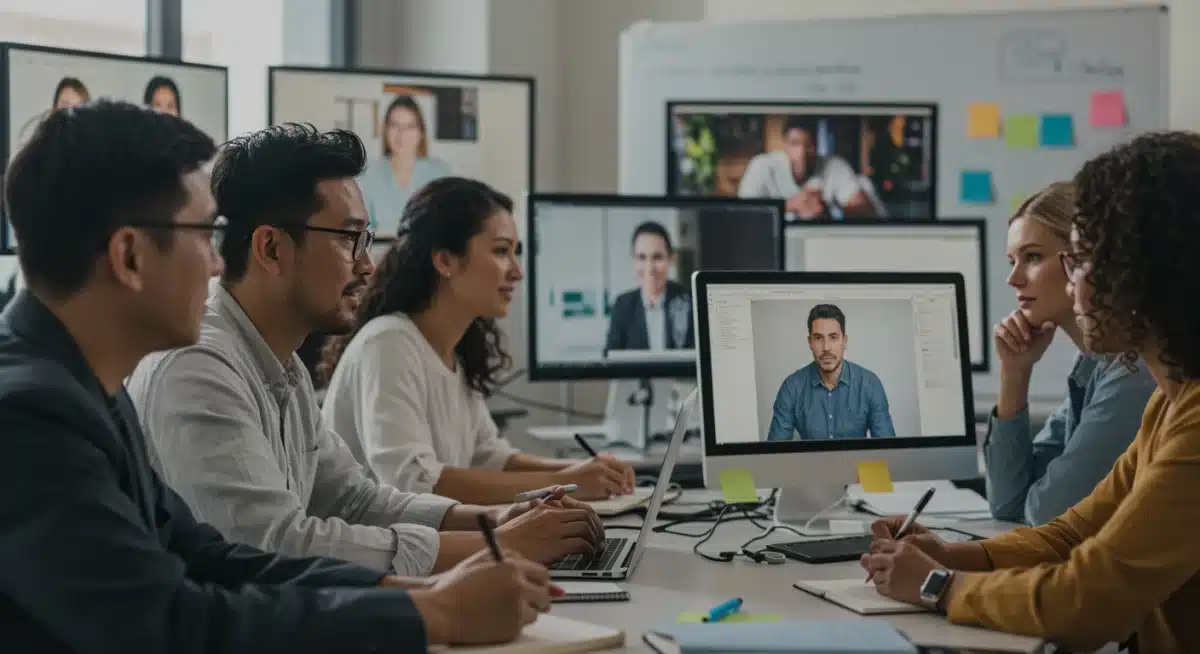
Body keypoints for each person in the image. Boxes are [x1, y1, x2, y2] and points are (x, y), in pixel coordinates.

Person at [0, 99, 555, 652]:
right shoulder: (30, 417)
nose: (217, 262)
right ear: (130, 255)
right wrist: (430, 615)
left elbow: (211, 557)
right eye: (202, 234)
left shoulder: (88, 389)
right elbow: (169, 622)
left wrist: (419, 596)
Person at [126, 124, 602, 578]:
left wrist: (497, 520)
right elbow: (272, 547)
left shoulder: (279, 363)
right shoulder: (198, 366)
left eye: (366, 240)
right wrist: (500, 545)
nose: (367, 264)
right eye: (349, 239)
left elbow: (355, 500)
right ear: (270, 249)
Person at [861, 131, 1200, 654]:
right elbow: (1066, 535)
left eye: (1079, 262)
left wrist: (936, 586)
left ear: (1144, 271)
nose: (1072, 287)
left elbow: (1086, 597)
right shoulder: (1168, 402)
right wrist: (950, 555)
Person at [317, 177, 637, 505]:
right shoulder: (388, 345)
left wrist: (582, 469)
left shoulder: (454, 350)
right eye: (501, 251)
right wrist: (565, 482)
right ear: (445, 260)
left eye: (515, 252)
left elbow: (489, 457)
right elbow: (413, 483)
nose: (517, 271)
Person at [986, 181, 1156, 525]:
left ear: (1084, 262)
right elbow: (1009, 503)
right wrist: (1014, 375)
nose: (1014, 279)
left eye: (1033, 257)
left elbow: (1050, 510)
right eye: (1012, 261)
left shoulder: (1133, 371)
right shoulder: (1093, 364)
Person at [766, 303, 894, 441]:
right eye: (818, 338)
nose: (826, 347)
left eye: (833, 337)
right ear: (810, 342)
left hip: (855, 463)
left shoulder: (870, 384)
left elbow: (888, 450)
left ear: (844, 341)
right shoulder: (791, 388)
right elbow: (776, 453)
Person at [737, 115, 877, 220]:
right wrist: (793, 204)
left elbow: (866, 209)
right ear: (784, 145)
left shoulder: (835, 165)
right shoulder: (762, 166)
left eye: (808, 144)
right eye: (795, 143)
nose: (802, 152)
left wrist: (826, 208)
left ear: (817, 146)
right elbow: (742, 213)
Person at [357, 95, 451, 237]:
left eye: (409, 126)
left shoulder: (439, 173)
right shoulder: (369, 174)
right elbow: (362, 231)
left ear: (421, 133)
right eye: (395, 125)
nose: (401, 134)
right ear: (385, 130)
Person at [604, 221, 694, 353]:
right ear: (633, 261)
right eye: (642, 257)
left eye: (657, 257)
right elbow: (610, 359)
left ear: (671, 259)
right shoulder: (623, 305)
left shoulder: (690, 300)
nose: (650, 267)